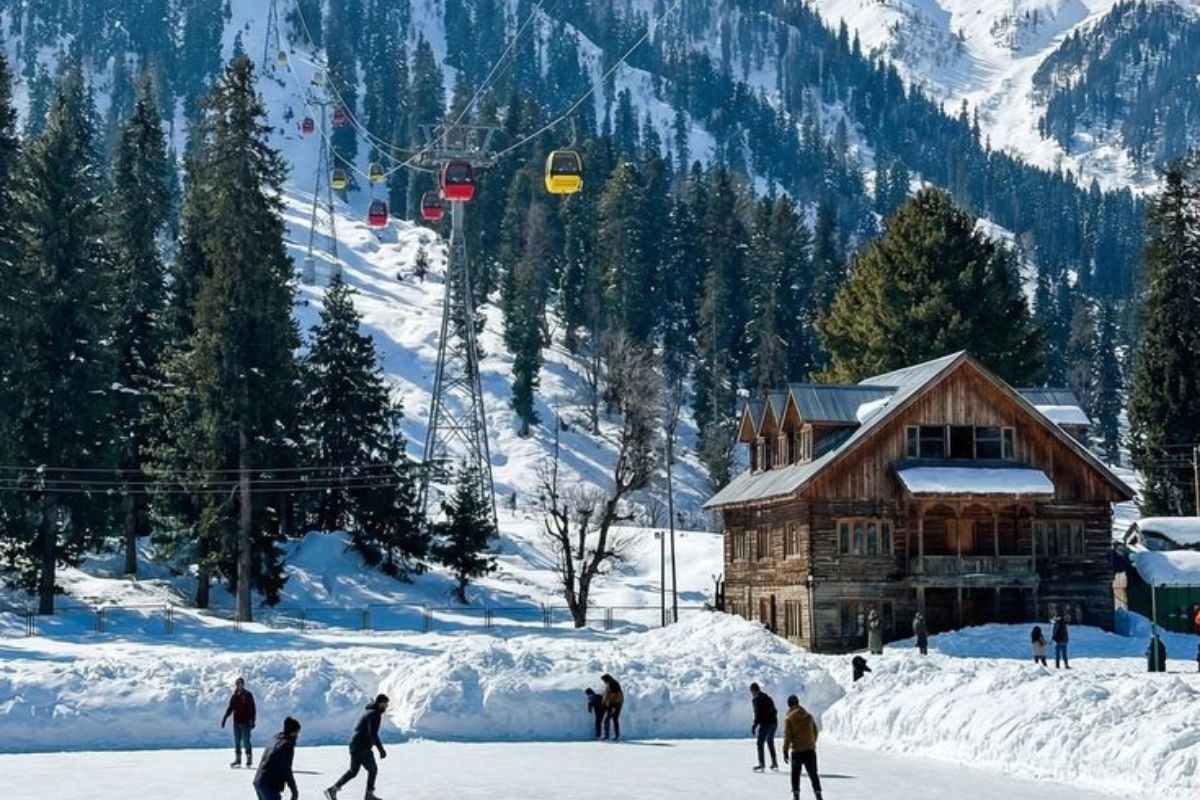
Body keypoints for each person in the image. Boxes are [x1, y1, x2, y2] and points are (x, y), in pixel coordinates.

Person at [325, 694, 389, 800]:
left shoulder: (370, 712)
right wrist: (381, 749)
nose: (386, 706)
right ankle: (369, 795)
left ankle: (333, 789)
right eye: (385, 704)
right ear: (380, 703)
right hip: (362, 746)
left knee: (353, 771)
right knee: (373, 769)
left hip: (355, 745)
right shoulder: (374, 714)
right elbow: (373, 733)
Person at [782, 695, 822, 800]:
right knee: (813, 774)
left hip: (797, 751)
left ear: (789, 705)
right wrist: (812, 742)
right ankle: (818, 794)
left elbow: (787, 736)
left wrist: (785, 751)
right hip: (810, 750)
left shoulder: (789, 719)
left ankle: (796, 795)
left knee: (795, 774)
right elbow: (815, 731)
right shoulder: (808, 716)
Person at [253, 717, 301, 800]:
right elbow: (286, 769)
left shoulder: (276, 739)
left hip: (259, 781)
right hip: (268, 786)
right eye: (297, 732)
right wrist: (294, 790)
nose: (298, 735)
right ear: (292, 732)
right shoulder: (286, 745)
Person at [221, 677, 257, 767]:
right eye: (237, 684)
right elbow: (230, 708)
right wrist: (225, 718)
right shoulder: (234, 696)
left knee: (246, 741)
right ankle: (238, 759)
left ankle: (249, 758)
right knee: (237, 741)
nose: (239, 685)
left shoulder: (248, 695)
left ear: (243, 685)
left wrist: (253, 720)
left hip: (246, 722)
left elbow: (253, 709)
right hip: (236, 722)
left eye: (240, 684)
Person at [749, 682, 779, 772]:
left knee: (760, 743)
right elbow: (775, 710)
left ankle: (761, 764)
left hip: (765, 724)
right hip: (773, 722)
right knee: (770, 742)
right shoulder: (768, 698)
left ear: (753, 691)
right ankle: (774, 763)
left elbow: (757, 714)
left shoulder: (756, 700)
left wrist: (754, 726)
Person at [600, 674, 623, 741]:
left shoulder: (613, 684)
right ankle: (614, 735)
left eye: (604, 680)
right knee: (612, 719)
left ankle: (610, 735)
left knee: (610, 719)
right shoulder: (610, 684)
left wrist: (613, 707)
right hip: (613, 705)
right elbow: (607, 695)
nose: (603, 682)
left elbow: (616, 697)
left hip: (614, 705)